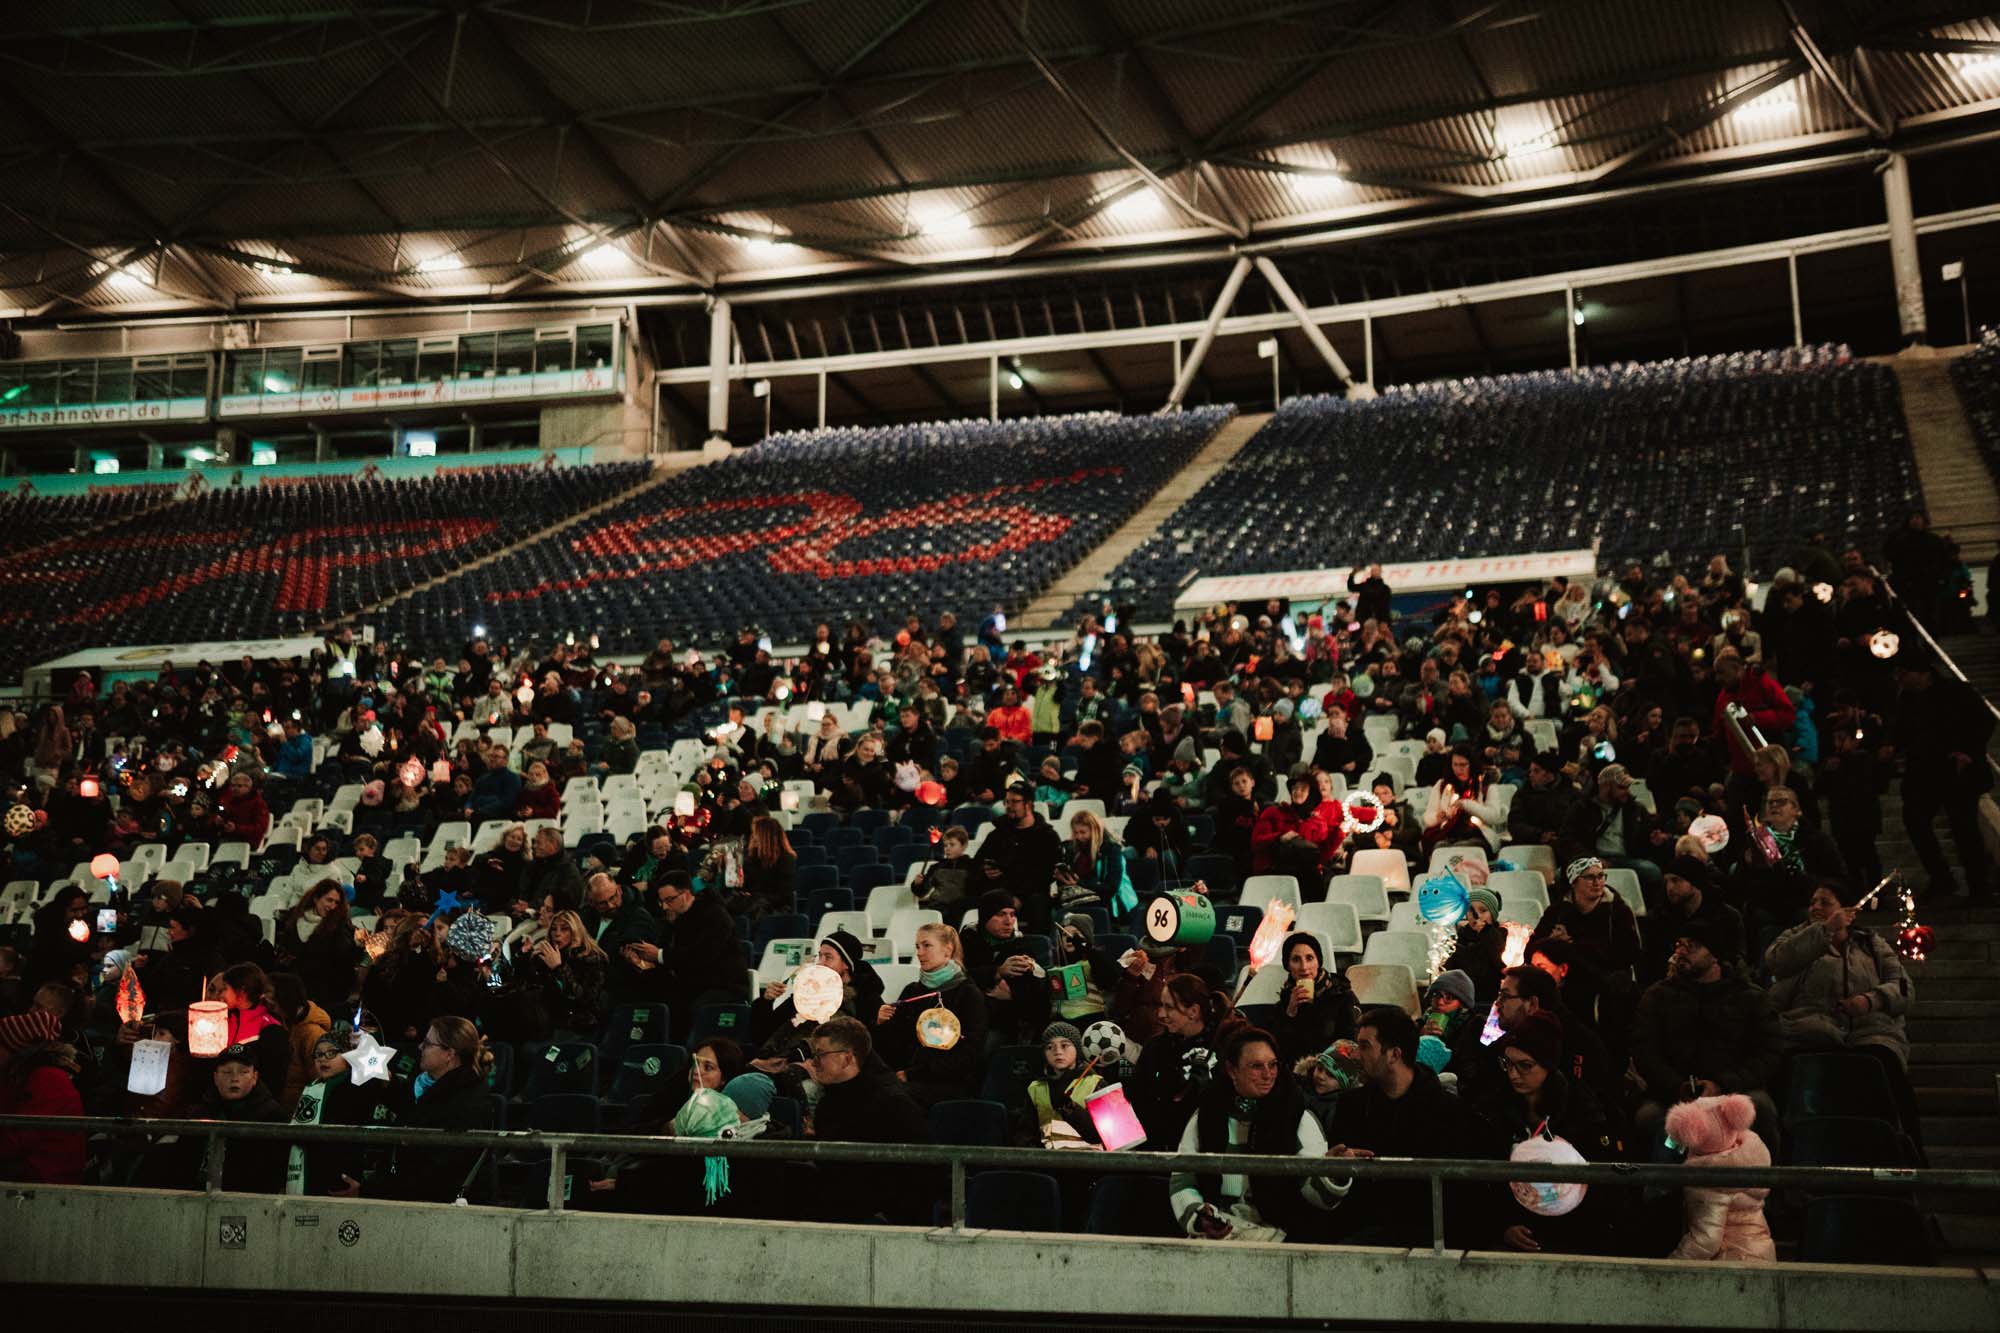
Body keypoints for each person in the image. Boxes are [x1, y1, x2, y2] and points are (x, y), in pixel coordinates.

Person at [1764, 880, 1921, 1157]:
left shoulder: (1871, 944)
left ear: (1846, 910)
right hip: (1810, 1030)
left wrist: (1871, 1000)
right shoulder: (1795, 938)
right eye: (1813, 902)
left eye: (1825, 902)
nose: (1815, 907)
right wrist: (1824, 931)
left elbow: (1903, 987)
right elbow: (1777, 961)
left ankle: (1908, 1153)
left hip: (1869, 1031)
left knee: (1885, 1068)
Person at [1169, 1026, 1352, 1242]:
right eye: (1256, 1066)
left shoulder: (1298, 1117)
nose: (1268, 1074)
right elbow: (1182, 1181)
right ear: (1231, 1069)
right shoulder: (1205, 1114)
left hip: (1281, 1238)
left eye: (1273, 1065)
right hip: (1215, 1238)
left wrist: (1332, 1172)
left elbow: (1317, 1199)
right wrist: (1201, 1218)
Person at [1326, 1006, 1483, 1248]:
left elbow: (1461, 1196)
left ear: (1394, 1054)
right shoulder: (1352, 1106)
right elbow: (1337, 1185)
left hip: (1428, 1240)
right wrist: (1336, 1168)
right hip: (1361, 1234)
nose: (1357, 1055)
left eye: (1365, 1046)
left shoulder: (1449, 1113)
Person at [1473, 1012, 1617, 1255]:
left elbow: (1600, 1184)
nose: (1513, 1074)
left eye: (1525, 1066)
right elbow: (1483, 1176)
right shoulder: (1493, 1107)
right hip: (1512, 1226)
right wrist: (1503, 1225)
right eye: (1507, 1063)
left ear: (1549, 1064)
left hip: (1572, 1231)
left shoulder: (1581, 1111)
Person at [1630, 918, 1781, 1150]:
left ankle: (1765, 1183)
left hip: (1734, 1090)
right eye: (1679, 944)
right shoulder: (1658, 996)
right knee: (1648, 1118)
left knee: (1761, 1109)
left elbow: (1768, 1053)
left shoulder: (1750, 997)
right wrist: (1676, 1086)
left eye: (1692, 946)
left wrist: (1722, 1084)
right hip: (1674, 1092)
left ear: (1715, 955)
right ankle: (1660, 1185)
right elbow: (1645, 1051)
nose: (1681, 952)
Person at [332, 1016, 498, 1202]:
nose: (419, 1047)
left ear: (449, 1054)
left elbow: (434, 1174)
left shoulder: (467, 1103)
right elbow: (404, 1097)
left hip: (438, 1210)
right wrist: (367, 1056)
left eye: (427, 1044)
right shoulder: (430, 1086)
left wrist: (371, 1191)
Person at [804, 1016, 929, 1223]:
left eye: (821, 1055)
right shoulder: (832, 1101)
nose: (813, 1063)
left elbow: (919, 1173)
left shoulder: (893, 1103)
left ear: (847, 1058)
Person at [1890, 655, 1995, 899]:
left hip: (1955, 770)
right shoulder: (1907, 698)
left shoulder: (1957, 691)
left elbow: (1985, 720)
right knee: (1915, 820)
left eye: (1905, 673)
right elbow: (1903, 730)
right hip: (1924, 772)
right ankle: (1942, 878)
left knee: (1964, 828)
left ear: (1923, 673)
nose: (1901, 679)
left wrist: (1968, 751)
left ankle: (1978, 885)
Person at [1528, 858, 1642, 1055]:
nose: (1597, 882)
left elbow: (1629, 953)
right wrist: (1552, 941)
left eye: (1600, 876)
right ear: (1574, 882)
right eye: (1589, 877)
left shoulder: (1618, 911)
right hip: (1564, 979)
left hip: (1602, 977)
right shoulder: (1557, 912)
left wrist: (1571, 946)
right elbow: (1530, 949)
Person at [871, 922, 988, 1107]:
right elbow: (892, 1044)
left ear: (947, 950)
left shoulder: (968, 994)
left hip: (949, 1083)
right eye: (917, 946)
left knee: (887, 1097)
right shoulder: (911, 991)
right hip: (906, 1078)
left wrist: (913, 1074)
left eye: (927, 945)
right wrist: (881, 1024)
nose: (919, 952)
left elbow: (970, 1055)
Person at [1664, 1094, 1776, 1262]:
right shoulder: (1749, 1158)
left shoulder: (1709, 1182)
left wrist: (1669, 1267)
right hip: (1760, 1252)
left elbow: (1706, 1242)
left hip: (1733, 1264)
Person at [626, 875, 741, 1037]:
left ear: (686, 895)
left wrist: (659, 955)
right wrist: (642, 963)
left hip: (721, 985)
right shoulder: (674, 919)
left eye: (670, 900)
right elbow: (670, 957)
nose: (665, 906)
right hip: (689, 983)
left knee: (689, 1006)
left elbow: (701, 957)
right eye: (662, 902)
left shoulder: (715, 915)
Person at [1128, 973, 1233, 1148]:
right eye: (1161, 1006)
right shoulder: (1155, 1048)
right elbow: (1138, 1098)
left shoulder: (1226, 1045)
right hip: (1159, 1150)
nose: (1161, 1014)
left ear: (1194, 1011)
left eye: (1169, 1007)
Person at [191, 1043, 288, 1193]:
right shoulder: (199, 1113)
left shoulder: (272, 1116)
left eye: (243, 1072)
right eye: (227, 1072)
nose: (234, 1078)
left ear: (254, 1077)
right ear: (215, 1077)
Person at [959, 890, 1050, 1046]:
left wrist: (1013, 995)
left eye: (1012, 914)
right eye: (1001, 914)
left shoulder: (1022, 945)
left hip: (1009, 1021)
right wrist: (997, 972)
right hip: (972, 1019)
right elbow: (958, 978)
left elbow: (1038, 992)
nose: (1009, 921)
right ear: (986, 916)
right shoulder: (967, 942)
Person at [974, 783, 1064, 935]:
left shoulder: (1047, 836)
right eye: (1007, 802)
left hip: (1031, 894)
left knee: (1039, 903)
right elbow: (977, 862)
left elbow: (1046, 874)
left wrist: (1020, 897)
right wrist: (986, 871)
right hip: (999, 892)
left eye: (1014, 801)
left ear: (1028, 804)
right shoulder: (998, 834)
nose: (1009, 806)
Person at [1641, 855, 1745, 984]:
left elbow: (1735, 959)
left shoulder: (1726, 916)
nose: (1670, 887)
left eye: (1676, 880)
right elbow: (1651, 961)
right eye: (1666, 881)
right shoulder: (1659, 917)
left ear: (1694, 882)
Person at [0, 1027, 84, 1184]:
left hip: (44, 1181)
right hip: (31, 1172)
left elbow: (20, 1136)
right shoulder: (19, 1076)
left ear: (14, 1048)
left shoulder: (47, 1079)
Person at [1265, 932, 1357, 1065]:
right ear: (1288, 965)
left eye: (1309, 958)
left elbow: (1350, 1045)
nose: (1304, 967)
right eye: (1296, 960)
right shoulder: (1285, 1001)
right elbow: (1276, 1050)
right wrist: (1290, 1014)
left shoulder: (1341, 995)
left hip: (1330, 1073)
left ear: (1318, 961)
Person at [515, 909, 608, 1036]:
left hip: (578, 1023)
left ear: (575, 932)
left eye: (564, 929)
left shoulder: (592, 959)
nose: (557, 934)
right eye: (553, 929)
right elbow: (527, 984)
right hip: (548, 1019)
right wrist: (524, 957)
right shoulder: (546, 955)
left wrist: (559, 968)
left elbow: (585, 999)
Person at [277, 880, 360, 1018]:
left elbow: (344, 958)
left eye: (336, 902)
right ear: (316, 898)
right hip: (297, 986)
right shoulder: (293, 919)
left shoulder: (340, 926)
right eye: (329, 900)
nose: (332, 906)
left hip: (327, 991)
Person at [1020, 1020, 1104, 1146]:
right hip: (1046, 1161)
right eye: (1050, 1047)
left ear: (1077, 1049)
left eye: (1064, 1045)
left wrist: (1071, 1109)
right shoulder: (1035, 1088)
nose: (1058, 1051)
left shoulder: (1095, 1083)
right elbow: (1026, 1135)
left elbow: (1101, 1135)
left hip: (1088, 1160)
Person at [1055, 807, 1136, 923]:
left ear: (1094, 831)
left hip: (1111, 900)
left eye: (1083, 832)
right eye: (1076, 832)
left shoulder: (1112, 849)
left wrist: (1079, 883)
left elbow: (1111, 887)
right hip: (1082, 894)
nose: (1079, 837)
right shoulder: (1073, 848)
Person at [734, 816, 797, 921]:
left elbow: (784, 895)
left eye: (755, 834)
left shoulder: (785, 859)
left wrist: (755, 896)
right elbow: (746, 887)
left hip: (774, 907)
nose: (752, 837)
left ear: (764, 836)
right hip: (754, 902)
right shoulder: (751, 857)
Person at [912, 826, 977, 921]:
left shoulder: (972, 866)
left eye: (952, 845)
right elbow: (921, 892)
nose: (947, 848)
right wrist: (917, 884)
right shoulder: (936, 867)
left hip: (960, 912)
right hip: (937, 909)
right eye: (945, 845)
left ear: (964, 846)